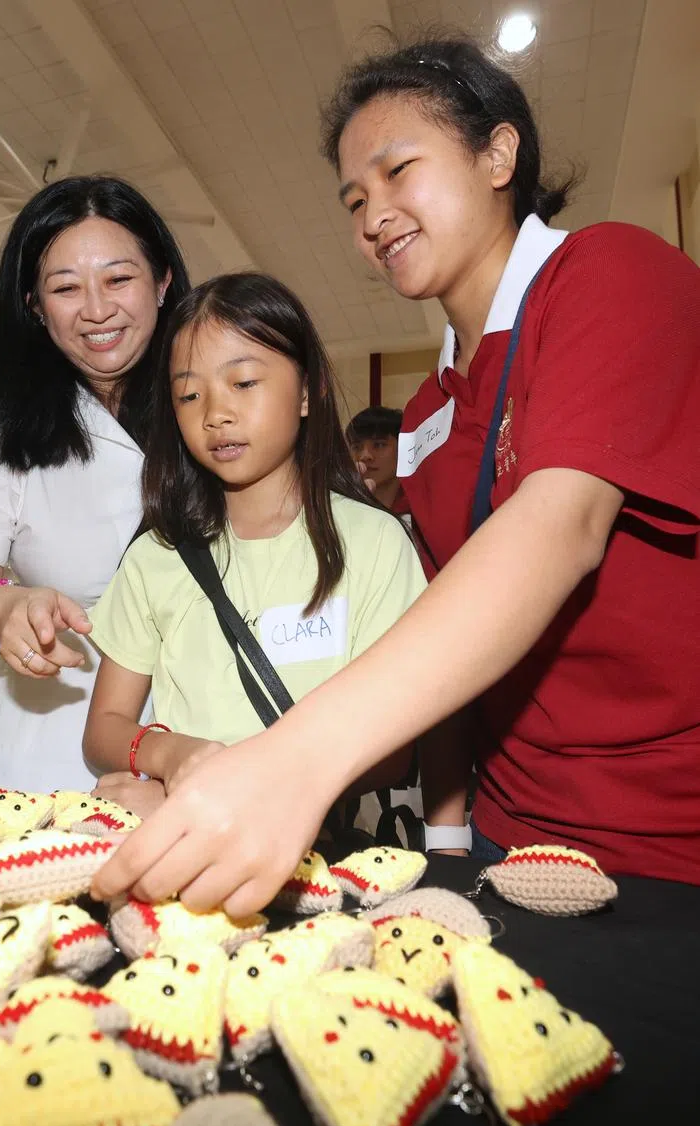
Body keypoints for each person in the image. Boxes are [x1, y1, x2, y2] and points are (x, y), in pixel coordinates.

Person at [92, 36, 700, 915]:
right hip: (512, 824)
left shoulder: (608, 273)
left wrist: (292, 760)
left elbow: (557, 526)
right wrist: (453, 832)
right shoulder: (425, 413)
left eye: (398, 171)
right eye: (354, 198)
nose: (374, 215)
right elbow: (450, 615)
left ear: (498, 154)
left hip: (659, 835)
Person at [83, 273, 425, 817]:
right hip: (183, 834)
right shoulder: (157, 555)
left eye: (243, 383)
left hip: (318, 846)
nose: (215, 413)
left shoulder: (375, 542)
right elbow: (104, 729)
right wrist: (171, 755)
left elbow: (392, 748)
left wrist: (224, 789)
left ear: (308, 392)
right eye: (189, 395)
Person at [0, 176, 191, 793]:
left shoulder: (213, 405)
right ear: (34, 306)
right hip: (49, 732)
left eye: (119, 279)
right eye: (65, 288)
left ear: (163, 282)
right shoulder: (1, 435)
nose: (95, 309)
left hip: (203, 726)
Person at [345, 406, 410, 521]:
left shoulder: (420, 512)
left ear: (403, 448)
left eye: (379, 445)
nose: (365, 456)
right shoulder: (342, 507)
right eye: (356, 447)